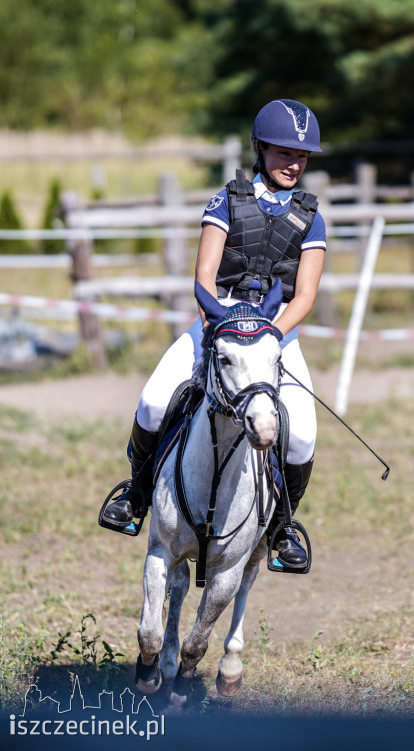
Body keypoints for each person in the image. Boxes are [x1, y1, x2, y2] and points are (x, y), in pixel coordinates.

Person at [103, 98, 326, 568]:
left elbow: (304, 296)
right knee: (154, 401)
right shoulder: (226, 201)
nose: (293, 164)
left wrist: (267, 337)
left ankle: (282, 527)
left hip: (276, 335)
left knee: (302, 434)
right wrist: (221, 328)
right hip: (217, 322)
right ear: (260, 149)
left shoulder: (311, 218)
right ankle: (136, 494)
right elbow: (203, 276)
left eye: (301, 156)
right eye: (284, 153)